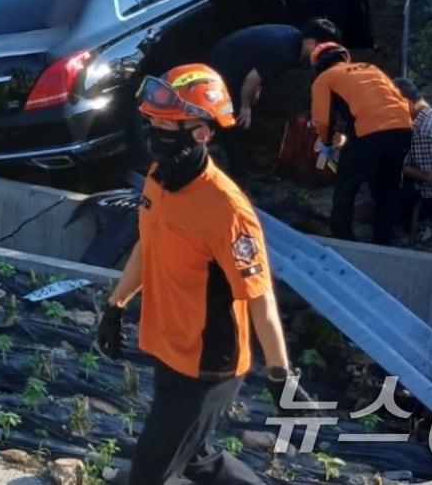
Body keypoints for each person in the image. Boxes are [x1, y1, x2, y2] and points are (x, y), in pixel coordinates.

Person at [97, 64, 309, 485]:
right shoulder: (158, 179)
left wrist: (280, 375)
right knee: (198, 458)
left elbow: (260, 296)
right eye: (153, 120)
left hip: (206, 364)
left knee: (149, 473)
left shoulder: (227, 210)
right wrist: (115, 305)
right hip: (169, 346)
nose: (156, 130)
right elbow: (147, 245)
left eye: (169, 124)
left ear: (202, 132)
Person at [207, 16, 343, 183]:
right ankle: (239, 177)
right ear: (312, 43)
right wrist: (245, 107)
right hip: (223, 70)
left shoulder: (294, 35)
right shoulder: (284, 52)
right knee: (235, 125)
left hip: (229, 54)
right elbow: (252, 79)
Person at [308, 43, 414, 245]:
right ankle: (383, 240)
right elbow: (397, 98)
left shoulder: (324, 79)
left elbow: (322, 120)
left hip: (369, 132)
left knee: (347, 183)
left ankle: (342, 237)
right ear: (344, 57)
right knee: (388, 186)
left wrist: (325, 142)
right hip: (402, 127)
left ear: (318, 64)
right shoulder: (370, 68)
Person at [393, 78, 432, 229]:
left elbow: (429, 176)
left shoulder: (422, 132)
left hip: (427, 197)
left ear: (407, 102)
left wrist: (396, 165)